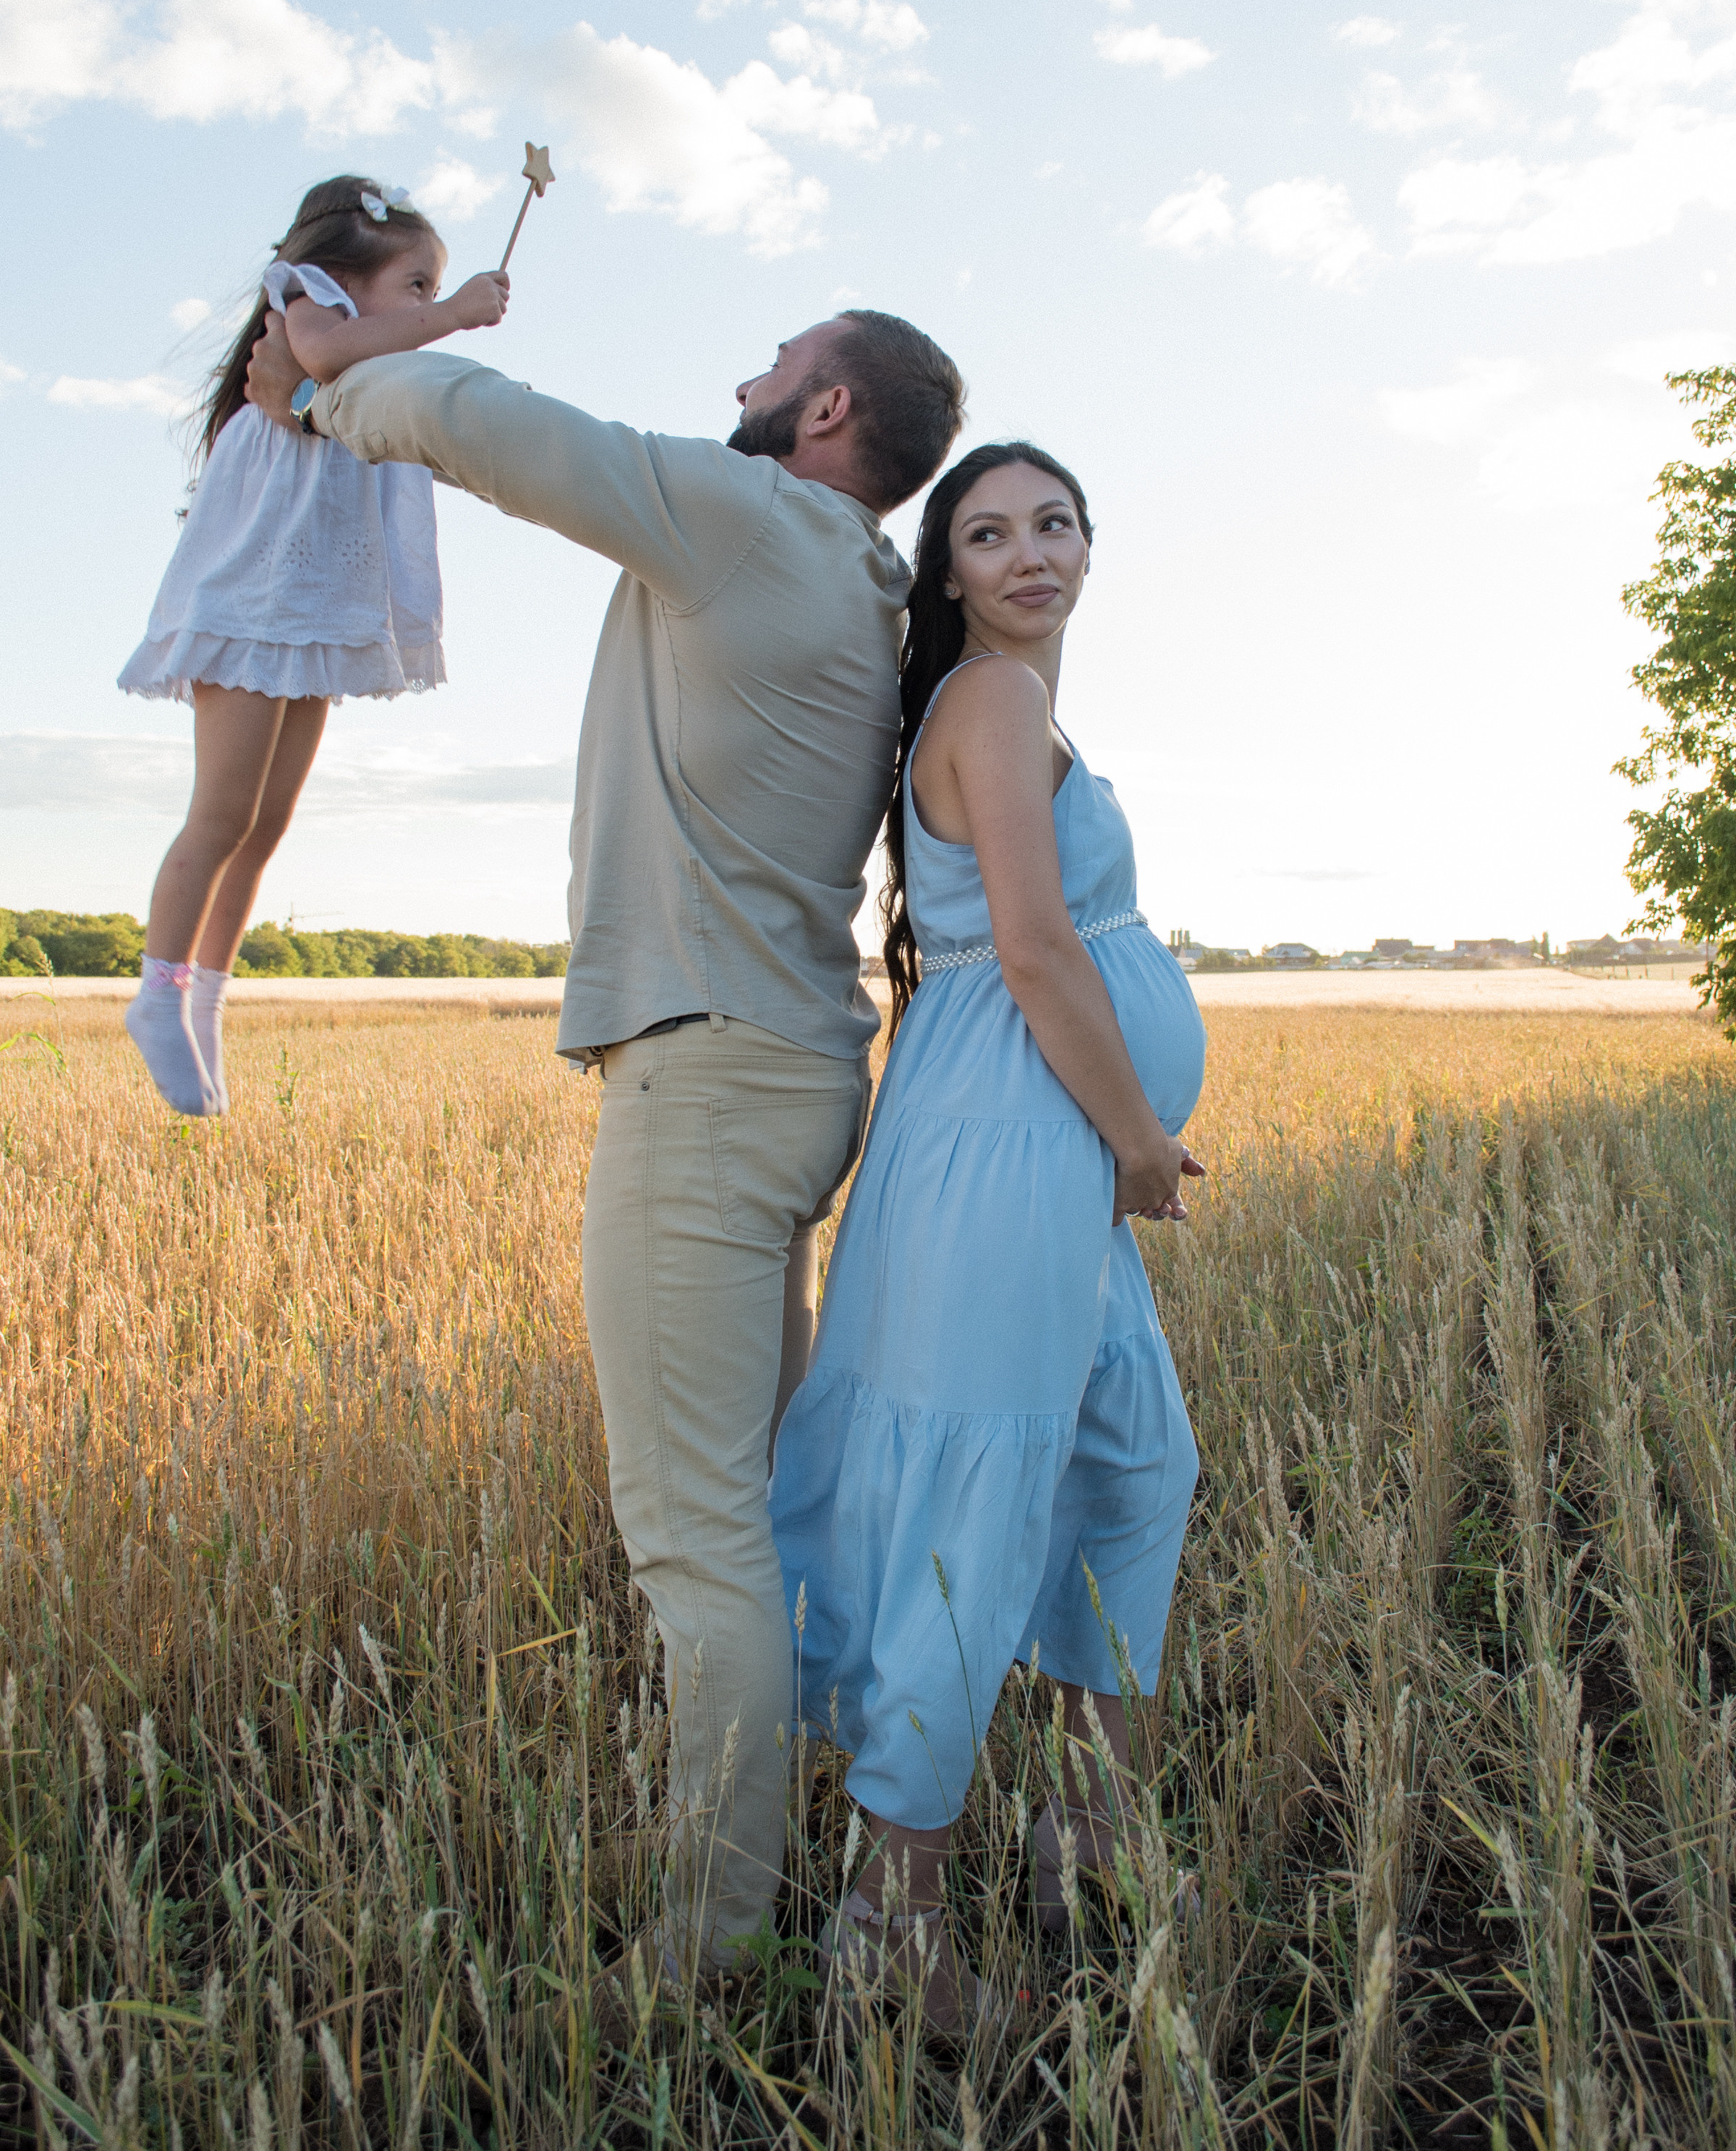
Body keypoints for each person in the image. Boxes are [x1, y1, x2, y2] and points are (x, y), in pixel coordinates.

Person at [242, 303, 966, 1983]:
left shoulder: (746, 519)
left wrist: (324, 380)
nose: (738, 386)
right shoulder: (867, 589)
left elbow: (489, 423)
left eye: (769, 364)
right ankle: (782, 1871)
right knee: (753, 1523)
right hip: (785, 1079)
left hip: (707, 1087)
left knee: (694, 1538)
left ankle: (702, 1950)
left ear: (826, 405)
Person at [768, 440, 1206, 2035]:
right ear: (944, 571)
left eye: (1055, 524)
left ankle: (1083, 1827)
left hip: (1029, 1150)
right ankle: (895, 1930)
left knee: (1136, 1463)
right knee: (966, 1524)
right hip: (1019, 1148)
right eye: (988, 532)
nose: (1029, 553)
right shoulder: (996, 704)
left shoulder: (1020, 706)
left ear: (1093, 544)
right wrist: (1142, 1146)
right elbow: (1030, 946)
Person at [118, 176, 509, 1115]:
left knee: (265, 827)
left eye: (430, 289)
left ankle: (208, 999)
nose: (424, 303)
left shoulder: (359, 373)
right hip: (256, 600)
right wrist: (452, 316)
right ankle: (157, 993)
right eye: (414, 283)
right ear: (345, 273)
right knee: (220, 814)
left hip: (314, 607)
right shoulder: (311, 303)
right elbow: (328, 350)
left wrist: (432, 328)